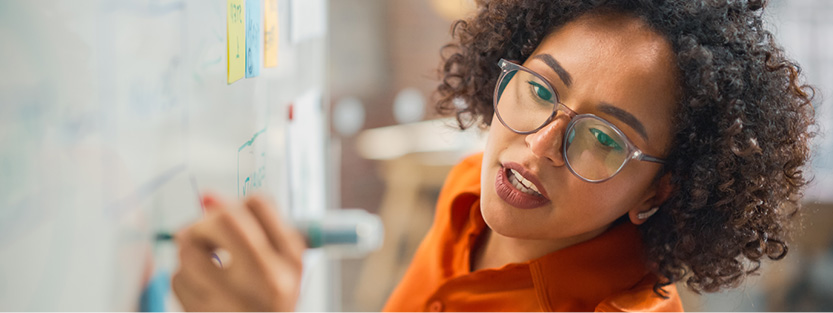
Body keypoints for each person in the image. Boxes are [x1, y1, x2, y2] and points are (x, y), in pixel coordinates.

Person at [171, 0, 816, 311]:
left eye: (603, 138)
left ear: (658, 191)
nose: (536, 148)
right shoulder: (468, 195)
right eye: (540, 89)